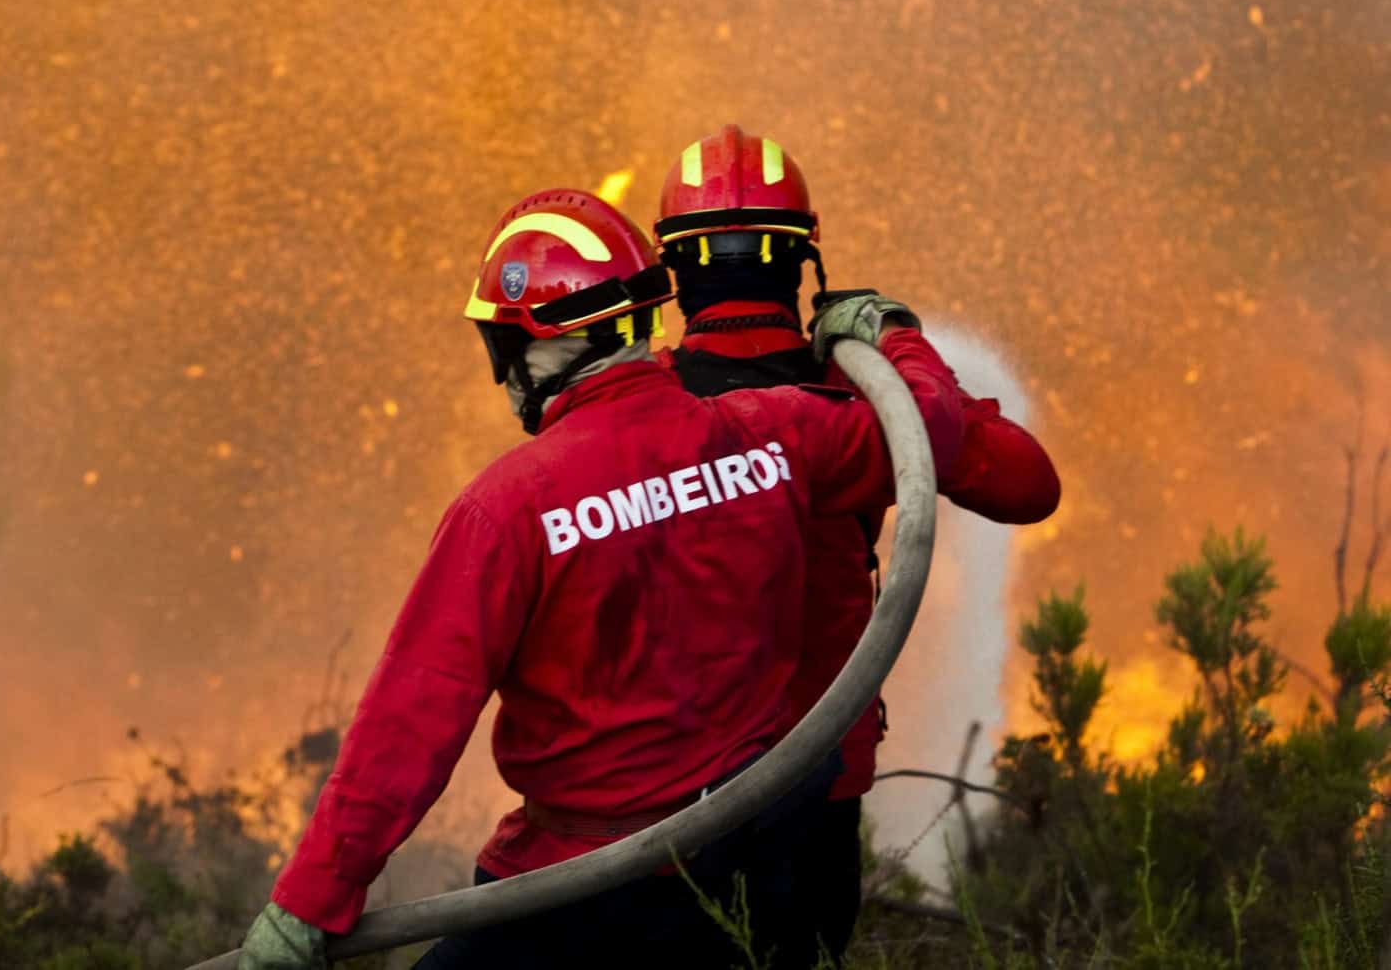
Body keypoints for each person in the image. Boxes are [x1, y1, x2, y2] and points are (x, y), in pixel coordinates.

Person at [238, 188, 983, 969]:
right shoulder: (775, 434)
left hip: (575, 893)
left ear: (540, 344)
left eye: (502, 347)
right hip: (756, 873)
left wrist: (308, 902)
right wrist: (892, 336)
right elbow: (927, 430)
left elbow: (409, 724)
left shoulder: (506, 510)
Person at [653, 124, 1061, 961]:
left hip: (660, 796)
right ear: (803, 266)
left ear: (674, 272)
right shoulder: (864, 404)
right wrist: (896, 340)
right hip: (818, 784)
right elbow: (1028, 484)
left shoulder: (636, 410)